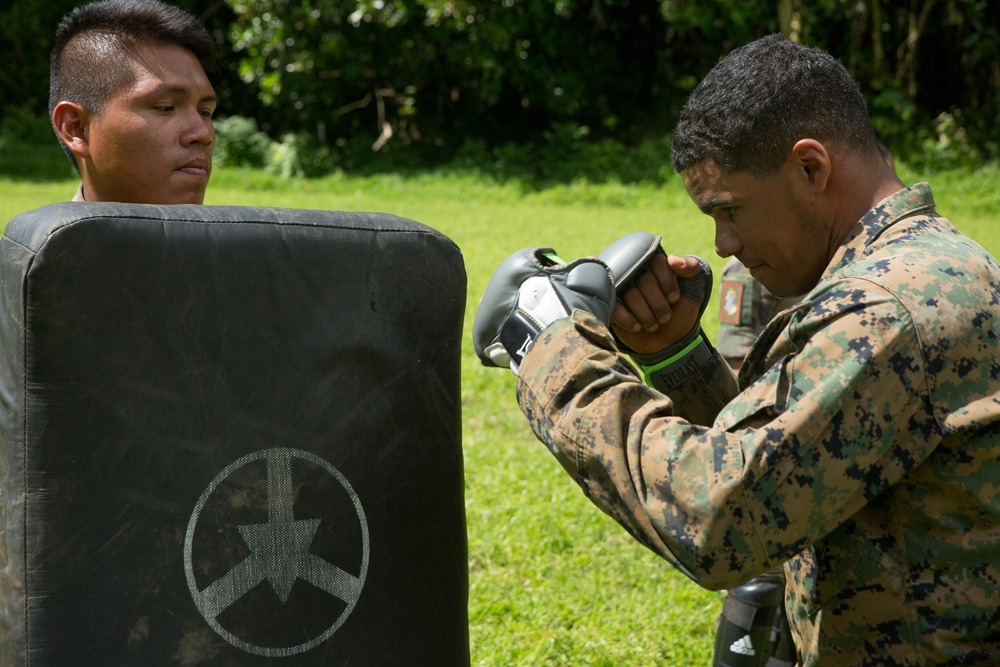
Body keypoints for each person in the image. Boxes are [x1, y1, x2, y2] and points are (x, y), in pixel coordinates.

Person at [474, 34, 1000, 665]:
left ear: (811, 168)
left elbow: (722, 520)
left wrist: (554, 353)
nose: (722, 244)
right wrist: (675, 356)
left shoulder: (889, 309)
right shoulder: (920, 268)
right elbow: (798, 466)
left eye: (729, 211)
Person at [48, 0, 217, 205]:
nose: (203, 133)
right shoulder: (46, 238)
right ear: (77, 129)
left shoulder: (247, 237)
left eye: (205, 112)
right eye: (166, 107)